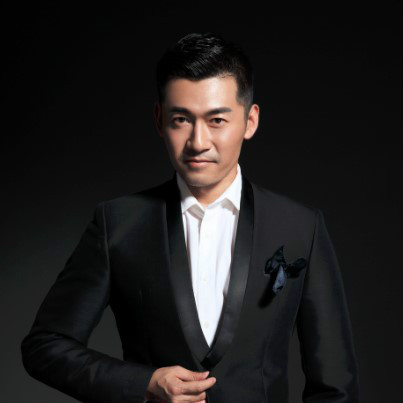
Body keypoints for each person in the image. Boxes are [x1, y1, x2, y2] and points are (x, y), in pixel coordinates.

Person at [21, 32, 360, 403]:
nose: (198, 142)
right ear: (159, 119)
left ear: (250, 121)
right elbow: (45, 345)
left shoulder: (300, 228)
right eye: (181, 119)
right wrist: (144, 383)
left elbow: (336, 388)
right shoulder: (118, 224)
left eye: (217, 120)